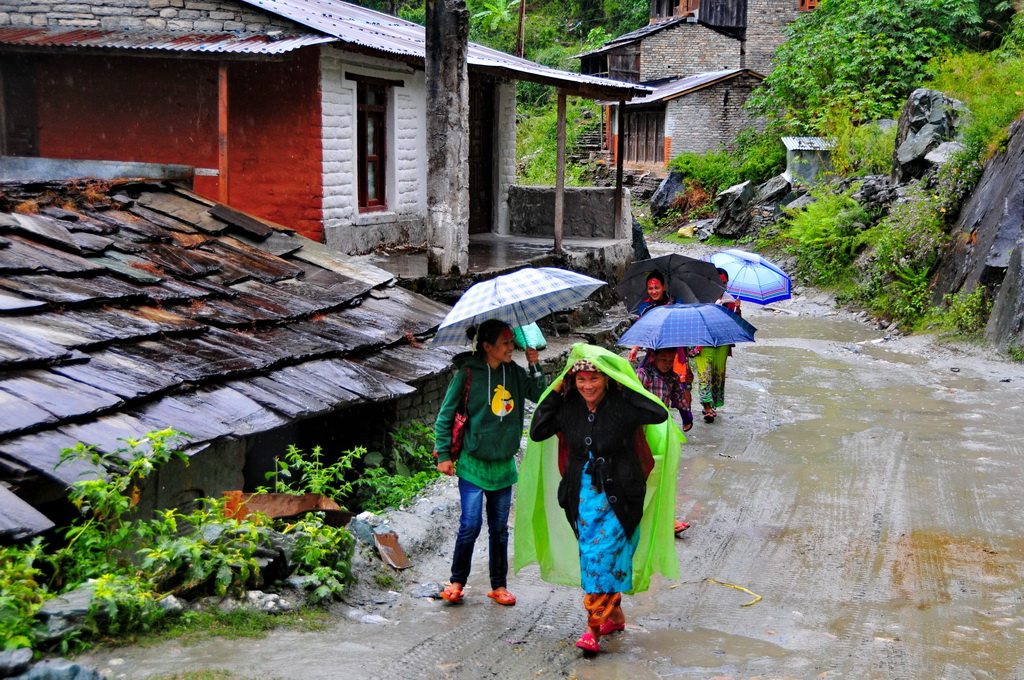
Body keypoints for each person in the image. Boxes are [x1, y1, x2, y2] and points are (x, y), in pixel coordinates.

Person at [515, 344, 683, 654]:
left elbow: (658, 412)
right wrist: (556, 390)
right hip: (581, 495)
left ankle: (593, 627)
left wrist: (625, 383)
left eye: (594, 379)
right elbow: (538, 431)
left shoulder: (622, 404)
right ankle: (613, 612)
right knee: (596, 556)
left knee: (605, 555)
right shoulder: (569, 407)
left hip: (623, 493)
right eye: (581, 380)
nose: (588, 386)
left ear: (605, 379)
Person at [434, 319, 547, 606]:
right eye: (506, 343)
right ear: (487, 346)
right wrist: (444, 455)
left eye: (512, 342)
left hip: (503, 466)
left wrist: (535, 366)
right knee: (470, 525)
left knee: (499, 529)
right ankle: (457, 581)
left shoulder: (516, 373)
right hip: (473, 463)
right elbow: (445, 416)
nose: (512, 347)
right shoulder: (467, 374)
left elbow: (540, 396)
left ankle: (499, 586)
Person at [635, 347, 693, 536]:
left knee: (661, 474)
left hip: (662, 430)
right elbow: (632, 398)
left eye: (670, 360)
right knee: (644, 473)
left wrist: (687, 386)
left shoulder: (673, 378)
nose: (667, 364)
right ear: (654, 357)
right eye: (663, 360)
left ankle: (664, 517)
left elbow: (681, 403)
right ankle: (644, 516)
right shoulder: (643, 374)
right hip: (642, 429)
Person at [691, 268, 739, 423]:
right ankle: (706, 407)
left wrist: (737, 310)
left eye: (724, 283)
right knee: (704, 375)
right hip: (702, 342)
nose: (721, 285)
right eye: (718, 282)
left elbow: (736, 325)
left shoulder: (730, 300)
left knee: (717, 375)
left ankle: (712, 403)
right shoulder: (699, 298)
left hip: (721, 343)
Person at [626, 271, 676, 363]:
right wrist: (635, 348)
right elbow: (642, 328)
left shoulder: (674, 301)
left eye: (657, 288)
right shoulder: (645, 307)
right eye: (650, 288)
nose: (653, 292)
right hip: (654, 347)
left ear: (664, 287)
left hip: (674, 344)